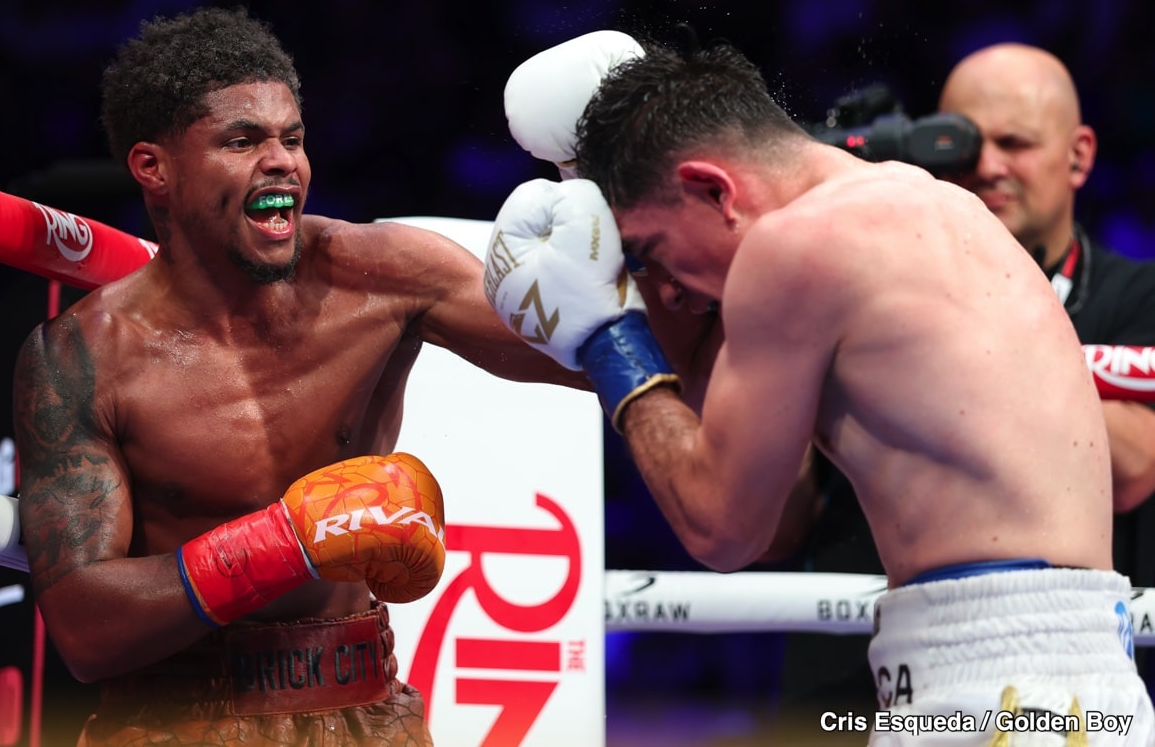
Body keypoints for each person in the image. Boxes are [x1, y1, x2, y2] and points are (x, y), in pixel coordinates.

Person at [484, 36, 1155, 743]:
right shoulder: (922, 206)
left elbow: (723, 528)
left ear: (713, 188)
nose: (669, 292)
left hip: (1001, 692)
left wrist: (606, 336)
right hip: (1057, 680)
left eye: (651, 254)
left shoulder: (794, 249)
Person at [10, 5, 584, 747]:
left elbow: (586, 354)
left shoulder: (381, 275)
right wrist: (288, 543)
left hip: (365, 712)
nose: (282, 161)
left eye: (292, 138)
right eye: (242, 141)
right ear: (154, 167)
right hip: (172, 723)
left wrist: (623, 233)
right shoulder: (85, 358)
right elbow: (87, 628)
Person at [772, 42, 1155, 739]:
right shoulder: (859, 287)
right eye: (963, 141)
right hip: (844, 678)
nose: (986, 166)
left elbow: (1129, 467)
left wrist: (922, 372)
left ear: (1078, 156)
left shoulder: (1138, 294)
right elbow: (767, 523)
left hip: (1039, 685)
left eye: (1015, 143)